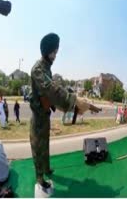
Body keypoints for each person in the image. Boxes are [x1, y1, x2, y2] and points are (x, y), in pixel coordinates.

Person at [29, 33, 96, 190]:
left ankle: (46, 169)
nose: (55, 56)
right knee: (38, 148)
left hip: (45, 116)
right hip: (38, 118)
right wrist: (73, 101)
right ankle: (39, 177)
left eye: (56, 52)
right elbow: (51, 89)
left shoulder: (47, 69)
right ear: (47, 51)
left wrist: (61, 104)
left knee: (45, 145)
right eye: (54, 52)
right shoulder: (37, 70)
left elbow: (50, 94)